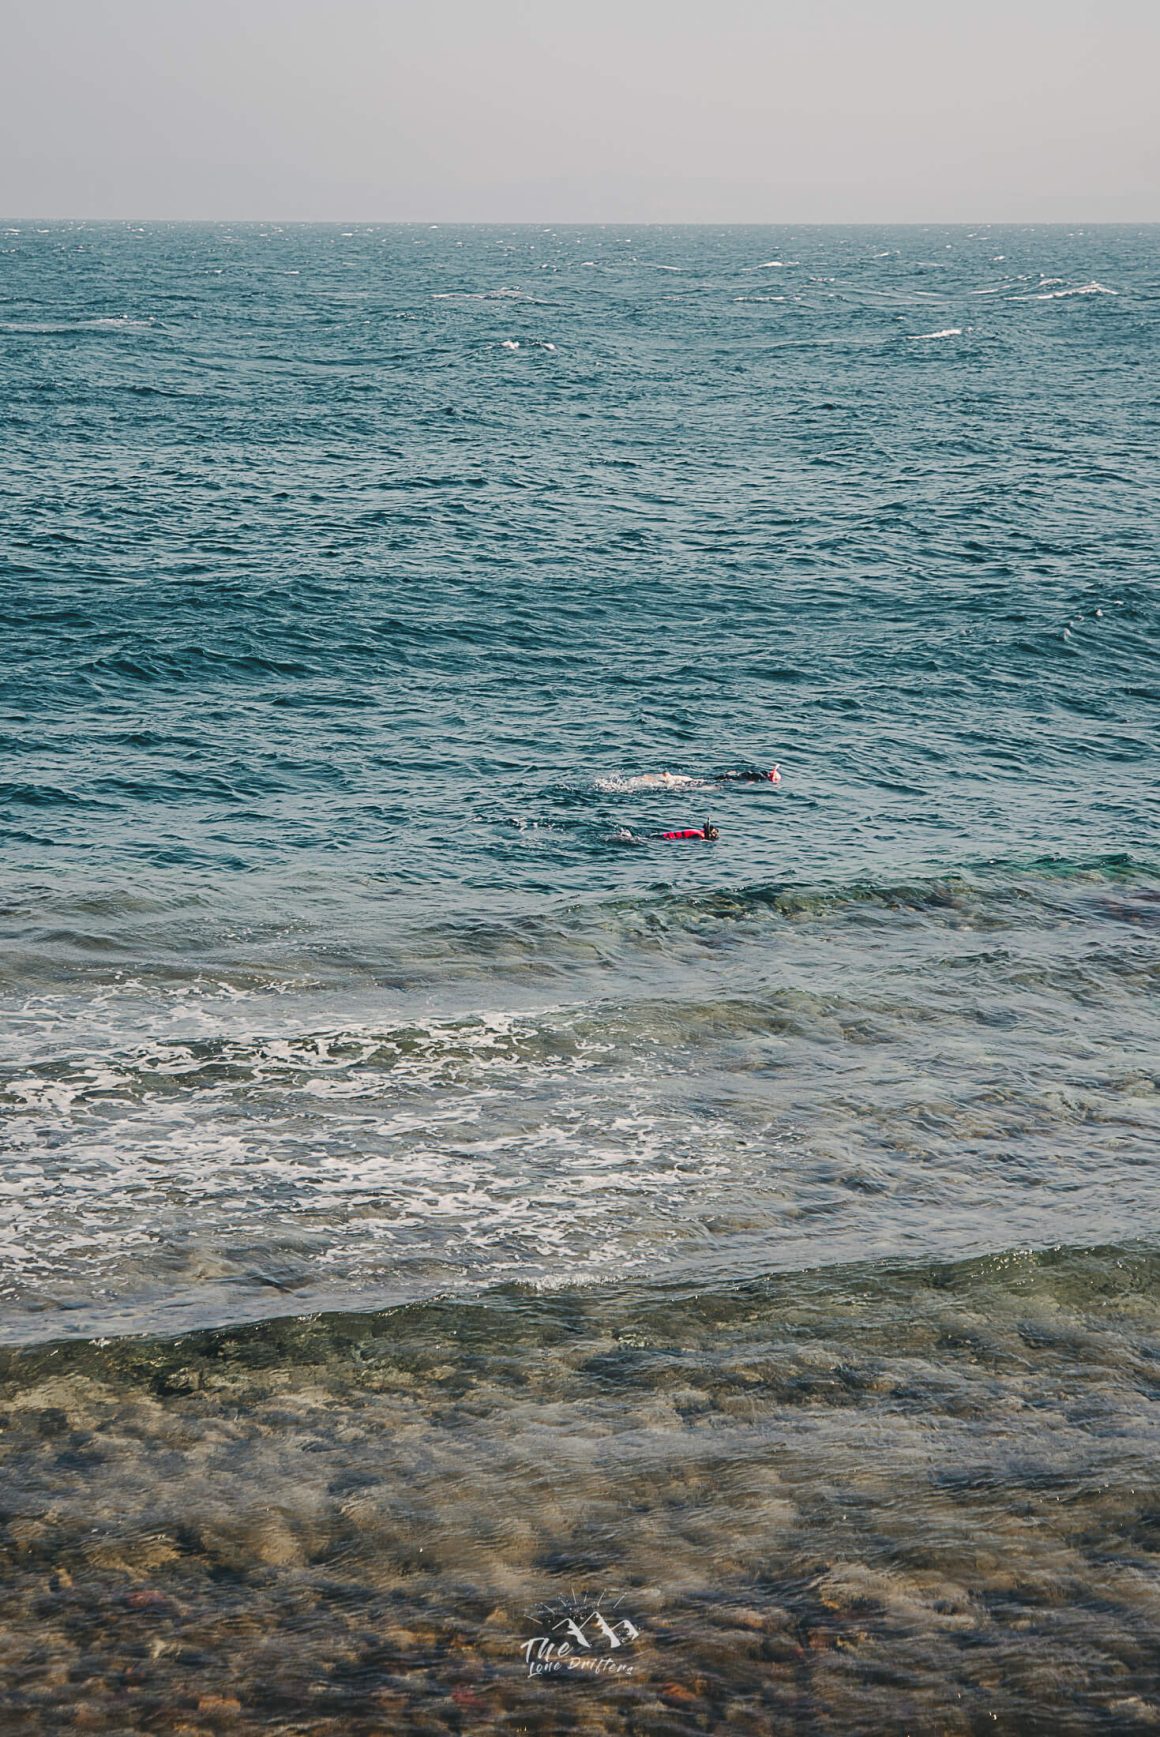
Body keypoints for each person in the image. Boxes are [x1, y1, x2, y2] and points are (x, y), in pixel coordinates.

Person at [715, 765, 781, 784]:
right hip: (738, 777)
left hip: (739, 778)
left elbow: (751, 781)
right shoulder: (764, 775)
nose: (770, 772)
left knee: (725, 777)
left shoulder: (763, 777)